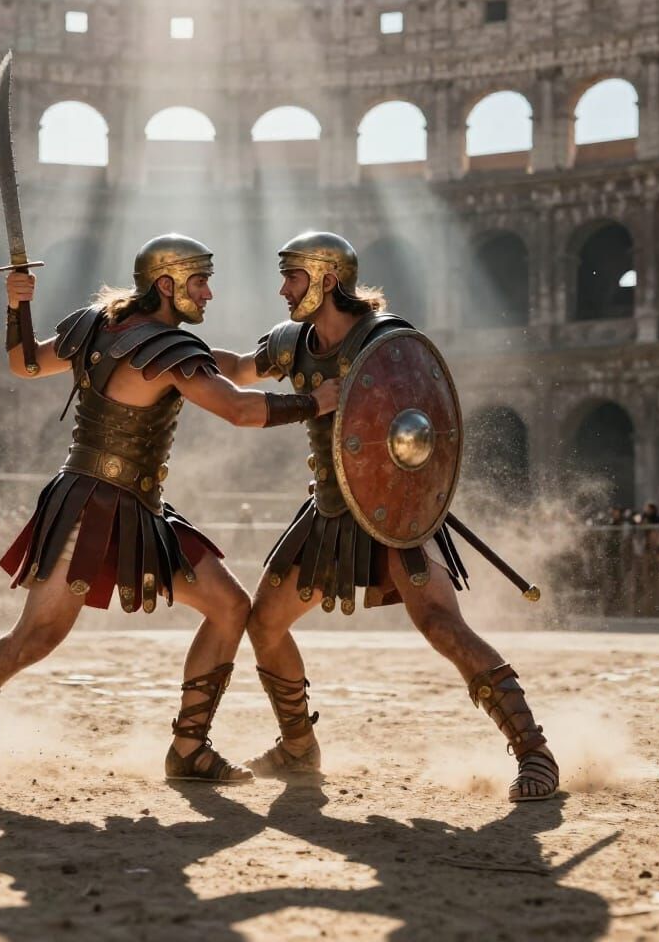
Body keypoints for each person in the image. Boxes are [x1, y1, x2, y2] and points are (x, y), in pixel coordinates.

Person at [0, 233, 339, 791]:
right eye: (200, 282)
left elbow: (26, 362)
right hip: (93, 507)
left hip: (139, 506)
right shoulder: (168, 351)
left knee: (229, 606)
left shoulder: (98, 326)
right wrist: (314, 401)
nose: (209, 294)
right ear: (167, 284)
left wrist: (17, 309)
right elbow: (238, 409)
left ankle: (189, 749)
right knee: (34, 637)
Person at [213, 231, 559, 802]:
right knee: (265, 623)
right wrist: (175, 352)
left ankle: (534, 751)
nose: (283, 290)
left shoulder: (385, 342)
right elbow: (237, 370)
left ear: (327, 280)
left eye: (292, 278)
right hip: (329, 509)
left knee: (441, 625)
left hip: (393, 509)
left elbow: (424, 431)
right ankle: (298, 747)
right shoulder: (291, 344)